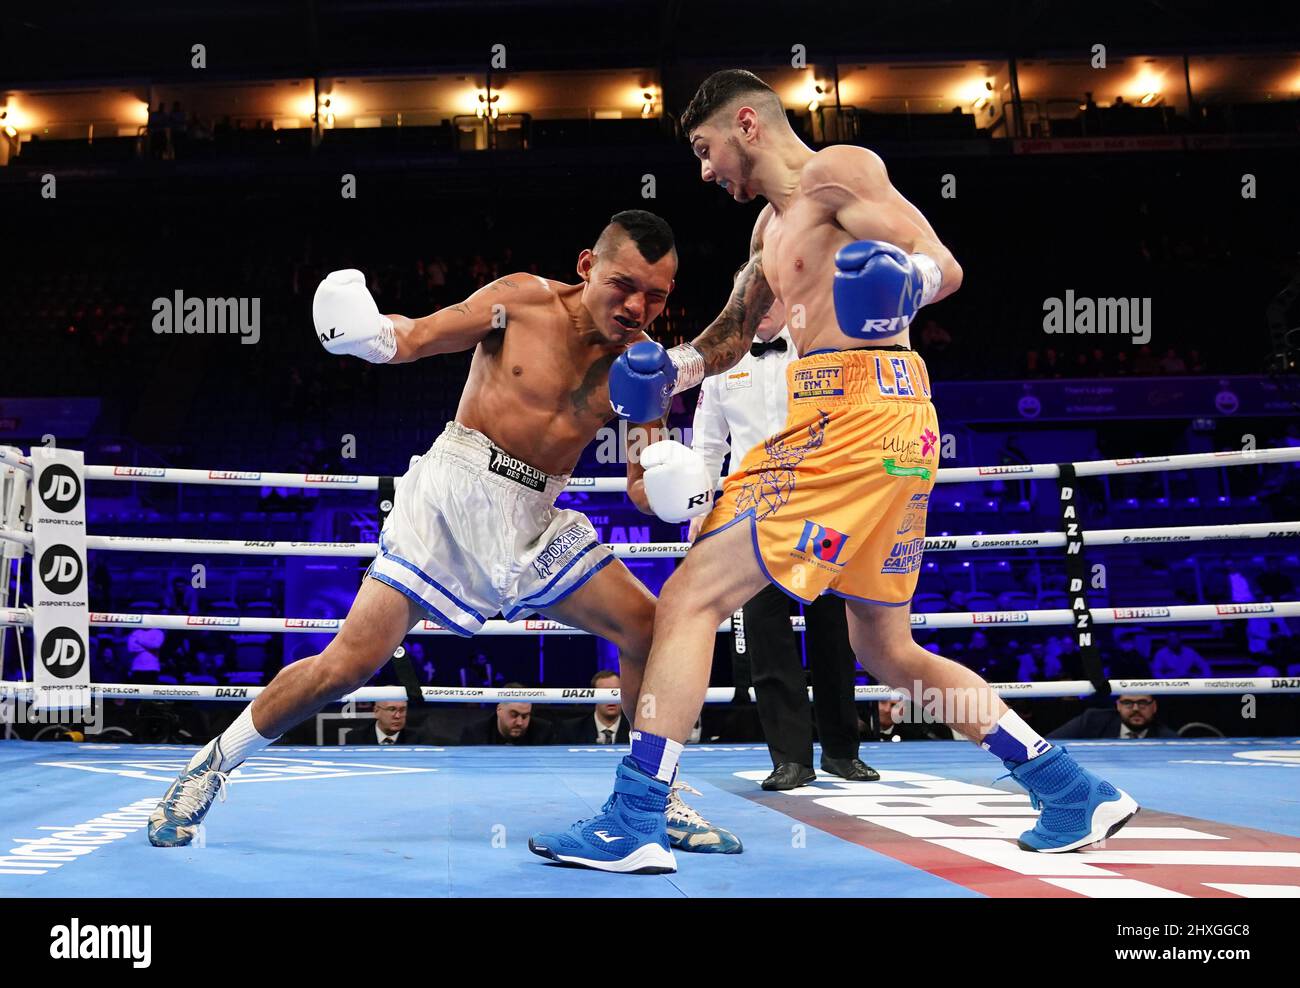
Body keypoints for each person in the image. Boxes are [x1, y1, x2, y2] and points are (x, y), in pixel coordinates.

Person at [531, 69, 1137, 874]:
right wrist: (671, 370)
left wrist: (904, 289)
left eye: (707, 149)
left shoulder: (837, 172)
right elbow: (735, 334)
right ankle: (1068, 789)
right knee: (887, 651)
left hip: (852, 420)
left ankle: (636, 813)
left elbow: (942, 265)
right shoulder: (767, 235)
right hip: (872, 425)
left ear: (747, 123)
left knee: (689, 596)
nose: (705, 171)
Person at [147, 210, 735, 854]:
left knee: (650, 628)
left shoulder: (641, 364)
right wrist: (371, 338)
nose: (637, 305)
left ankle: (653, 792)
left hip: (537, 516)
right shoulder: (519, 302)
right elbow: (420, 336)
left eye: (656, 295)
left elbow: (641, 485)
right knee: (345, 667)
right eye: (624, 284)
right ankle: (208, 766)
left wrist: (671, 484)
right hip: (451, 498)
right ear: (587, 265)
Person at [688, 284, 876, 790]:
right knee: (767, 636)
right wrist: (701, 512)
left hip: (821, 506)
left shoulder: (819, 351)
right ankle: (790, 759)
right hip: (754, 513)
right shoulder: (721, 366)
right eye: (752, 302)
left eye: (769, 300)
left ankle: (842, 750)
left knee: (833, 632)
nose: (761, 310)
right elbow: (708, 446)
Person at [1049, 695, 1178, 739]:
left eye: (1143, 703)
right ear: (1118, 705)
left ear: (1154, 706)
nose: (1136, 709)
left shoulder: (1167, 738)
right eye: (1128, 703)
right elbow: (1051, 743)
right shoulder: (1092, 720)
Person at [554, 669, 630, 744]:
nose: (611, 699)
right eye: (605, 693)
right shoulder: (571, 730)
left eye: (615, 692)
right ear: (593, 696)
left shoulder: (635, 730)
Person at [460, 691, 555, 745]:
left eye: (525, 716)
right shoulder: (475, 734)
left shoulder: (544, 731)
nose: (520, 722)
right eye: (514, 715)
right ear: (499, 710)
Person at [347, 700, 418, 745]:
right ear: (376, 711)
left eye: (402, 710)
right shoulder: (356, 738)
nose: (397, 716)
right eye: (392, 709)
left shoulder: (418, 739)